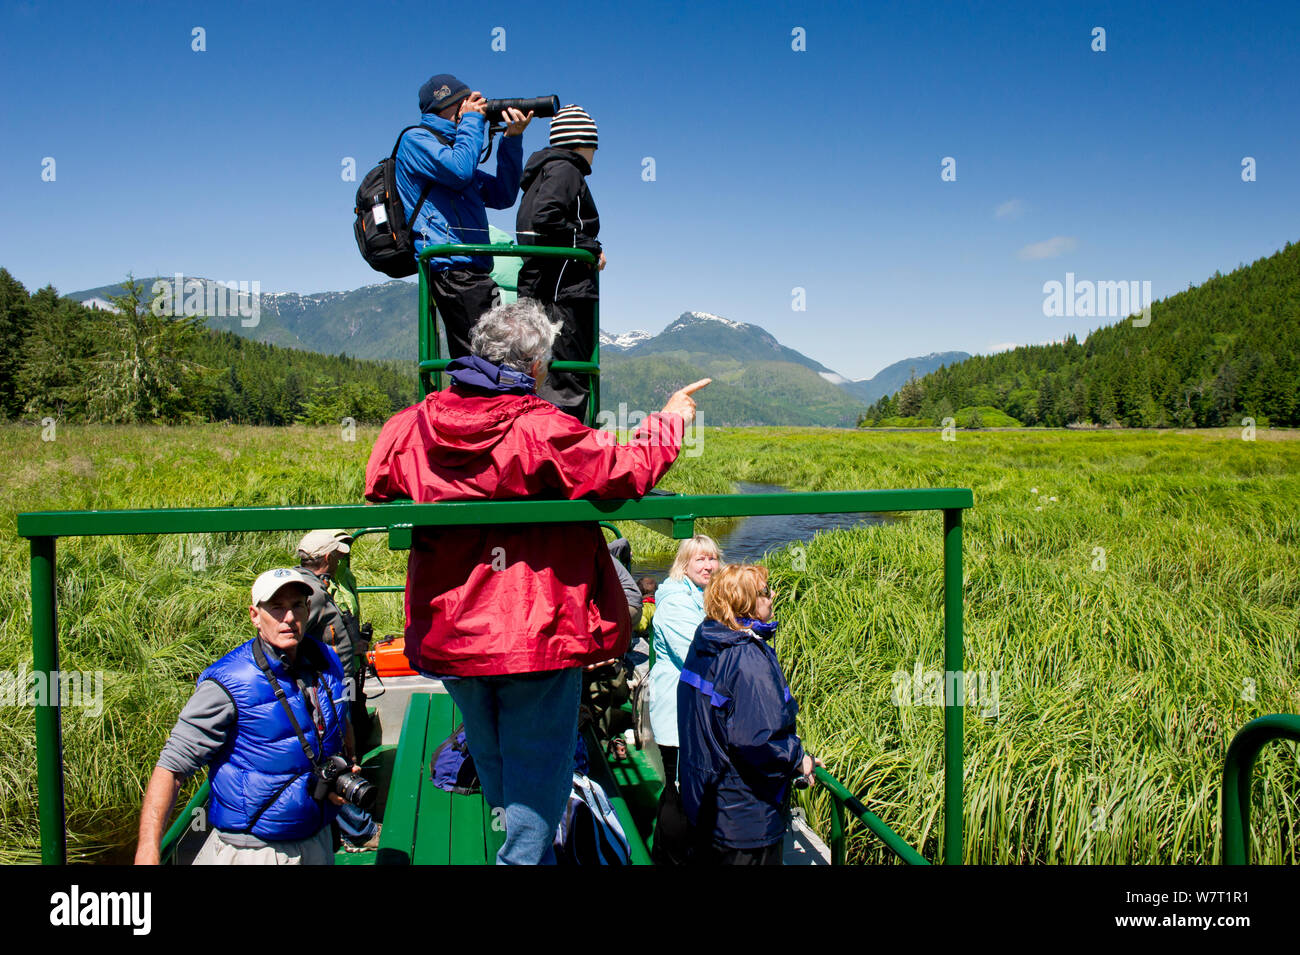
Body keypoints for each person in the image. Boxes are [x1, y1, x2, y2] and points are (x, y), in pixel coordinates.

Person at [364, 299, 709, 864]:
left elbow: (381, 478)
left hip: (452, 632)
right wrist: (670, 419)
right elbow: (623, 472)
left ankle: (513, 841)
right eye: (546, 361)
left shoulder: (413, 424)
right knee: (540, 764)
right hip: (533, 634)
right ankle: (524, 859)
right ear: (535, 366)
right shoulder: (540, 428)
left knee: (491, 748)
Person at [134, 569, 359, 865]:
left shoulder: (325, 659)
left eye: (297, 605)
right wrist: (148, 851)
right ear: (255, 615)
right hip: (257, 850)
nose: (289, 617)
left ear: (308, 609)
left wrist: (344, 770)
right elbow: (172, 768)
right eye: (276, 607)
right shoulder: (229, 683)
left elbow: (339, 722)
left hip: (317, 838)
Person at [677, 563, 822, 865]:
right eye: (766, 592)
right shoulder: (746, 658)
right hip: (744, 818)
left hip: (707, 803)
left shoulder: (707, 640)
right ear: (747, 603)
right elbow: (757, 739)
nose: (772, 597)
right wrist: (797, 758)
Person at [397, 73, 534, 359]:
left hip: (475, 269)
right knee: (483, 361)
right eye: (467, 103)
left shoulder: (460, 151)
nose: (476, 108)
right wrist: (472, 122)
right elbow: (459, 172)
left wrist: (512, 139)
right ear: (448, 105)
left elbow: (503, 194)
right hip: (452, 268)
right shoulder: (416, 140)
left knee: (493, 357)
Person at [516, 104, 603, 423]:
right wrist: (590, 247)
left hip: (545, 288)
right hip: (562, 292)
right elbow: (547, 218)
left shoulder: (543, 172)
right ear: (583, 143)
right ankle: (567, 457)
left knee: (544, 374)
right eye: (594, 146)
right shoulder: (566, 169)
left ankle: (541, 454)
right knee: (565, 379)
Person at [294, 530, 380, 852]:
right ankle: (358, 831)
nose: (341, 559)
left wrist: (352, 645)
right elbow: (296, 641)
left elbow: (324, 636)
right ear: (327, 557)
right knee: (335, 758)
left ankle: (347, 825)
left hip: (335, 685)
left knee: (345, 750)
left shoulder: (318, 587)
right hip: (327, 690)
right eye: (338, 555)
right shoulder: (311, 594)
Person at [647, 534, 720, 865]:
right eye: (699, 559)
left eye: (712, 559)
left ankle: (669, 851)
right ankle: (669, 858)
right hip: (677, 711)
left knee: (684, 789)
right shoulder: (676, 601)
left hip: (691, 710)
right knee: (678, 792)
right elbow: (697, 654)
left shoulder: (701, 596)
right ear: (684, 563)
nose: (707, 565)